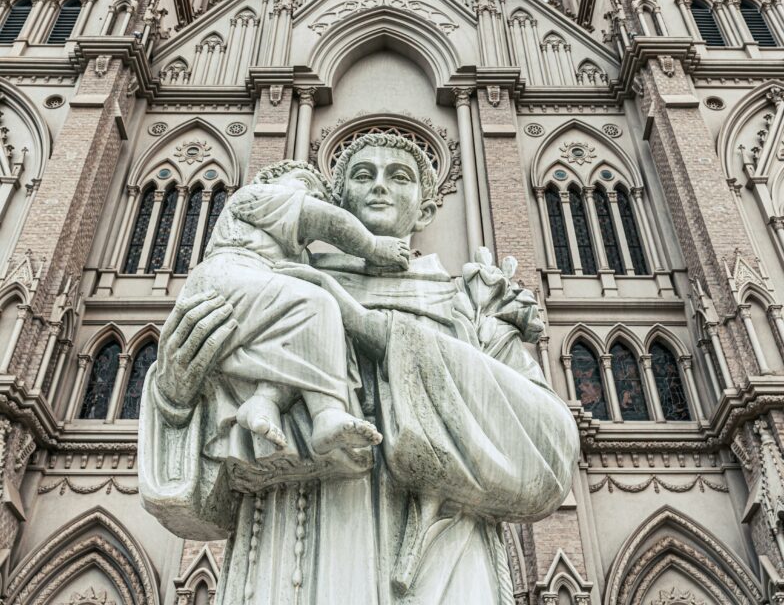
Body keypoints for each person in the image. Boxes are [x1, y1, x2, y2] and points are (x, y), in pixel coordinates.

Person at [140, 135, 579, 604]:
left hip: (444, 567)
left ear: (426, 210)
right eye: (363, 175)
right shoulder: (273, 289)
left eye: (400, 176)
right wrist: (176, 396)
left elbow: (550, 454)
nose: (380, 187)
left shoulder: (469, 309)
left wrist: (376, 331)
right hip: (291, 553)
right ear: (337, 201)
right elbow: (207, 506)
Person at [180, 159, 408, 455]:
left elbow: (330, 266)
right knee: (316, 304)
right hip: (226, 277)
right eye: (305, 184)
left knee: (305, 339)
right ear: (269, 181)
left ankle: (263, 403)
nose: (313, 197)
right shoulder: (253, 197)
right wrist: (374, 247)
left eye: (320, 196)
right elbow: (327, 220)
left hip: (250, 294)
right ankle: (327, 412)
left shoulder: (291, 254)